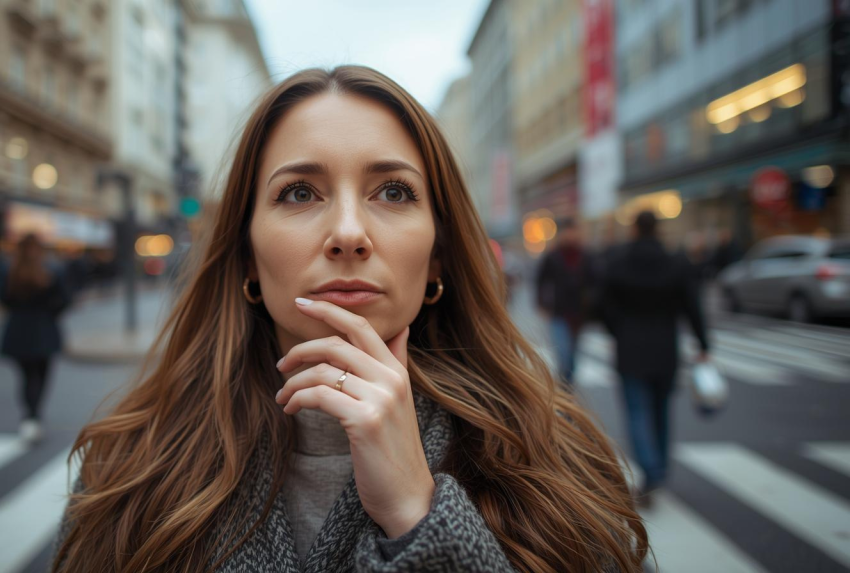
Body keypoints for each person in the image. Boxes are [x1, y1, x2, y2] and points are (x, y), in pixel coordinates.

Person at [50, 67, 647, 573]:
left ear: (438, 251)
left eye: (392, 192)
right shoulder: (129, 469)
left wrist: (417, 512)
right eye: (299, 194)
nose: (348, 234)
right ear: (247, 255)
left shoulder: (557, 462)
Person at [603, 211, 711, 507]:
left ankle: (650, 471)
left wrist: (617, 330)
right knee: (662, 411)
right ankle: (659, 469)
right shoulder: (675, 262)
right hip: (665, 346)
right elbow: (692, 304)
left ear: (636, 229)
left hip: (630, 345)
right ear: (658, 229)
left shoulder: (619, 262)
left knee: (637, 411)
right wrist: (703, 343)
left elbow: (603, 303)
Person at [0, 234, 71, 444]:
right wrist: (50, 315)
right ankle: (33, 416)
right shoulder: (52, 269)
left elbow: (1, 298)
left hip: (18, 329)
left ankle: (30, 416)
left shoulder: (8, 270)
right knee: (42, 375)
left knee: (26, 376)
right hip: (44, 329)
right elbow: (64, 300)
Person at [535, 218, 594, 385]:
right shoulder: (553, 257)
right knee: (564, 355)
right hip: (558, 312)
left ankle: (567, 388)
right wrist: (542, 303)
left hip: (578, 314)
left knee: (573, 356)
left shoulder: (585, 256)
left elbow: (594, 281)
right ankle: (565, 390)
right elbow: (541, 281)